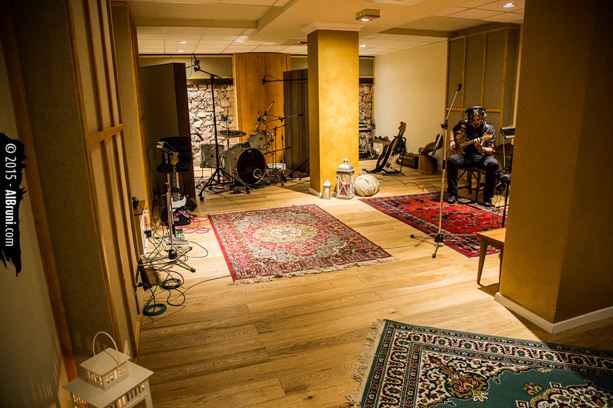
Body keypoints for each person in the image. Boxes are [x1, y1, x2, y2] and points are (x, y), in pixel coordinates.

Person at [447, 106, 498, 207]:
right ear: (469, 119)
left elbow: (491, 150)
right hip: (466, 156)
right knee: (451, 160)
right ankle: (452, 194)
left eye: (478, 119)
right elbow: (452, 130)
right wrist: (452, 141)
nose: (476, 122)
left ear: (482, 118)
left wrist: (481, 148)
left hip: (482, 157)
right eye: (473, 120)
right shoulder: (464, 124)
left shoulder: (489, 129)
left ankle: (487, 197)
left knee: (493, 164)